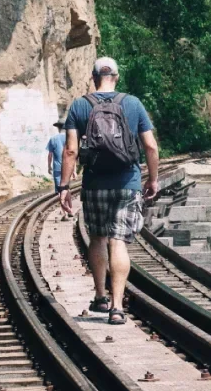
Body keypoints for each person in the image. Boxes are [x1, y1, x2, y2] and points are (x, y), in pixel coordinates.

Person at [59, 57, 159, 325]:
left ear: (93, 77)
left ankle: (100, 297)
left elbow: (70, 150)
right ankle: (117, 307)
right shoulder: (132, 103)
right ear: (116, 76)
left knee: (98, 237)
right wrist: (153, 179)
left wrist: (64, 186)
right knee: (119, 242)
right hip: (127, 184)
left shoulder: (80, 105)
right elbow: (150, 146)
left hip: (94, 184)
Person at [46, 119, 67, 191]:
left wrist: (49, 166)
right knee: (66, 188)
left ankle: (62, 201)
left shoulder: (53, 139)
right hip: (67, 166)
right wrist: (73, 170)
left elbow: (50, 155)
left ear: (58, 127)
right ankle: (68, 202)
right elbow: (72, 153)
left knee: (59, 189)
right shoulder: (69, 138)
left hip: (57, 167)